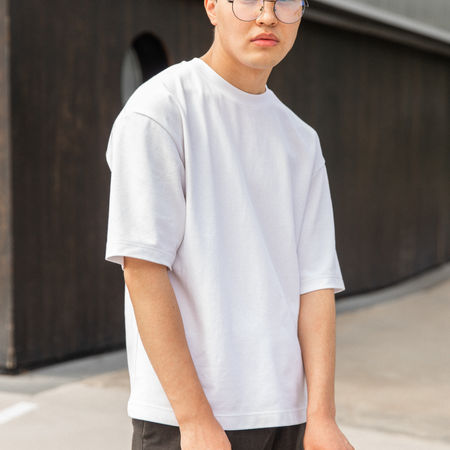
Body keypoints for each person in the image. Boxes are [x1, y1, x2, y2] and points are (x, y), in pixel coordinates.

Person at [104, 0, 355, 449]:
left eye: (284, 2)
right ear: (212, 6)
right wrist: (194, 419)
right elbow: (142, 269)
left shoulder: (301, 140)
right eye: (249, 0)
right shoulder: (161, 110)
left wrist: (321, 416)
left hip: (288, 417)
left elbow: (315, 283)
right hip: (186, 422)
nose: (267, 15)